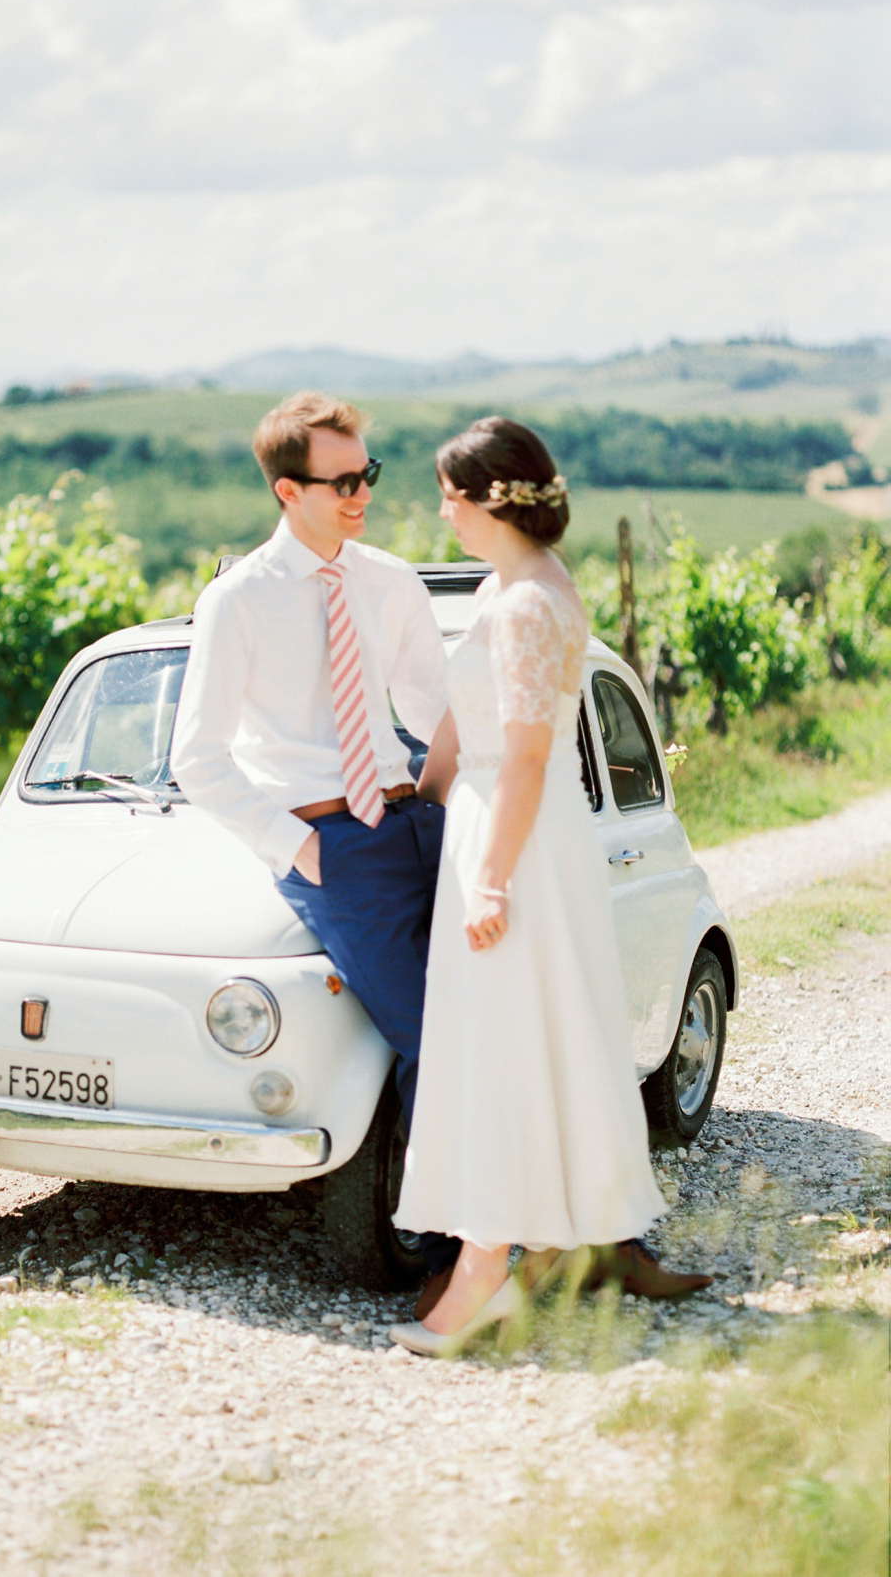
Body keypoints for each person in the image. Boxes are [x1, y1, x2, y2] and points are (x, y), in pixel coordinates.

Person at [390, 417, 709, 1357]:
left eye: (450, 491)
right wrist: (418, 798)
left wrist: (488, 881)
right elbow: (469, 723)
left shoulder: (531, 602)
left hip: (518, 839)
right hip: (496, 824)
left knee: (506, 1044)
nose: (441, 507)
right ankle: (574, 1239)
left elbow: (528, 754)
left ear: (491, 497)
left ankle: (487, 1263)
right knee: (533, 1036)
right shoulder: (508, 587)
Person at [170, 391, 461, 1285]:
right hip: (333, 850)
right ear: (287, 491)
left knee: (505, 1009)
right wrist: (298, 851)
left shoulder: (388, 580)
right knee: (433, 1037)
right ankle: (446, 1247)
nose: (362, 492)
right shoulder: (239, 601)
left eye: (368, 472)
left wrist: (487, 800)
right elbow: (199, 760)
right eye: (342, 480)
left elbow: (435, 709)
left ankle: (544, 1217)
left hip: (422, 820)